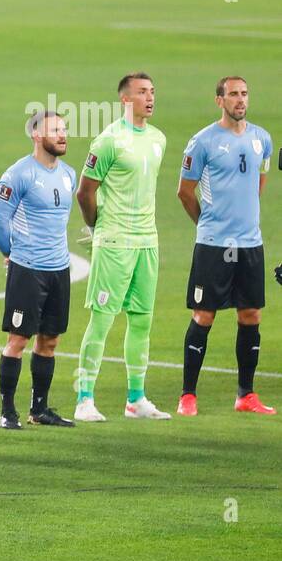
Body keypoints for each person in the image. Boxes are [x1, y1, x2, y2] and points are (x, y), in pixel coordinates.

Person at [176, 76, 274, 416]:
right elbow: (184, 192)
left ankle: (246, 395)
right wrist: (208, 223)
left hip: (250, 242)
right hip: (214, 243)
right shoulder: (202, 142)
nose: (240, 100)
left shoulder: (262, 139)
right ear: (219, 100)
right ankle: (188, 395)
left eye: (244, 94)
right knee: (204, 315)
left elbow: (259, 182)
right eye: (233, 94)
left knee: (251, 314)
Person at [75, 73, 170, 422]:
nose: (150, 97)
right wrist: (96, 226)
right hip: (115, 240)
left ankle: (136, 400)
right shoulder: (108, 141)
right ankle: (84, 399)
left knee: (141, 320)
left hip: (148, 241)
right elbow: (84, 191)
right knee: (101, 321)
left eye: (152, 91)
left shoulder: (159, 139)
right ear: (125, 99)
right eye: (142, 92)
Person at [0, 110, 77, 429]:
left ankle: (39, 409)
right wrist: (11, 253)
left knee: (50, 341)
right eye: (56, 130)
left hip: (59, 269)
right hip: (27, 270)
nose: (64, 135)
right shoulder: (18, 174)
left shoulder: (68, 174)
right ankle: (7, 411)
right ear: (37, 135)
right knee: (18, 339)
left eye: (65, 129)